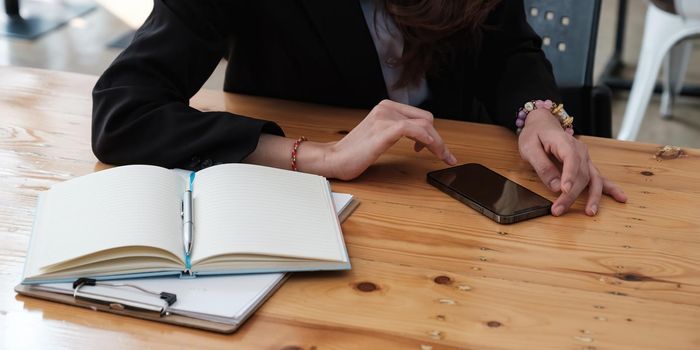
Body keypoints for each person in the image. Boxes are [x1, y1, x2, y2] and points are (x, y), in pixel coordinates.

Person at [92, 0, 627, 216]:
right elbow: (124, 110)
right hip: (306, 211)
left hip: (453, 208)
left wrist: (536, 112)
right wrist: (320, 156)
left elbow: (509, 46)